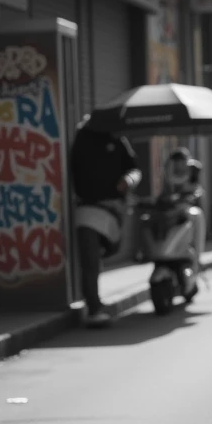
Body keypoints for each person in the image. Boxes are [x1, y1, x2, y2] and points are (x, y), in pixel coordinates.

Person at [70, 115, 142, 327]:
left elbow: (135, 169)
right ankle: (94, 307)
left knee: (110, 250)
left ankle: (93, 297)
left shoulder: (118, 139)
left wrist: (128, 180)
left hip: (114, 209)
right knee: (90, 260)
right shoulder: (81, 139)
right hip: (87, 207)